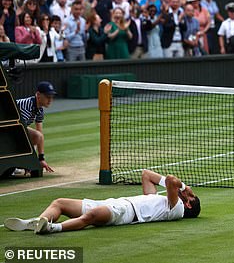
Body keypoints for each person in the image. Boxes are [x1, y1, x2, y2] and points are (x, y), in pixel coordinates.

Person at [4, 169, 200, 234]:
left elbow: (172, 180)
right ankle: (39, 222)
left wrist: (185, 189)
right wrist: (181, 189)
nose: (187, 193)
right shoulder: (159, 199)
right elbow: (146, 175)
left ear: (188, 204)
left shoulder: (177, 209)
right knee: (59, 203)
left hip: (125, 213)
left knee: (90, 217)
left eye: (191, 197)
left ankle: (53, 228)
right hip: (115, 202)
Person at [15, 82, 57, 172]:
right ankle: (15, 164)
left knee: (37, 136)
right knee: (24, 136)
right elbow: (18, 132)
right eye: (47, 97)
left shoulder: (40, 109)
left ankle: (26, 162)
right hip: (6, 127)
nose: (50, 100)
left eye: (51, 97)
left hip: (14, 128)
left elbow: (40, 135)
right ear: (38, 95)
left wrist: (41, 159)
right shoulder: (26, 106)